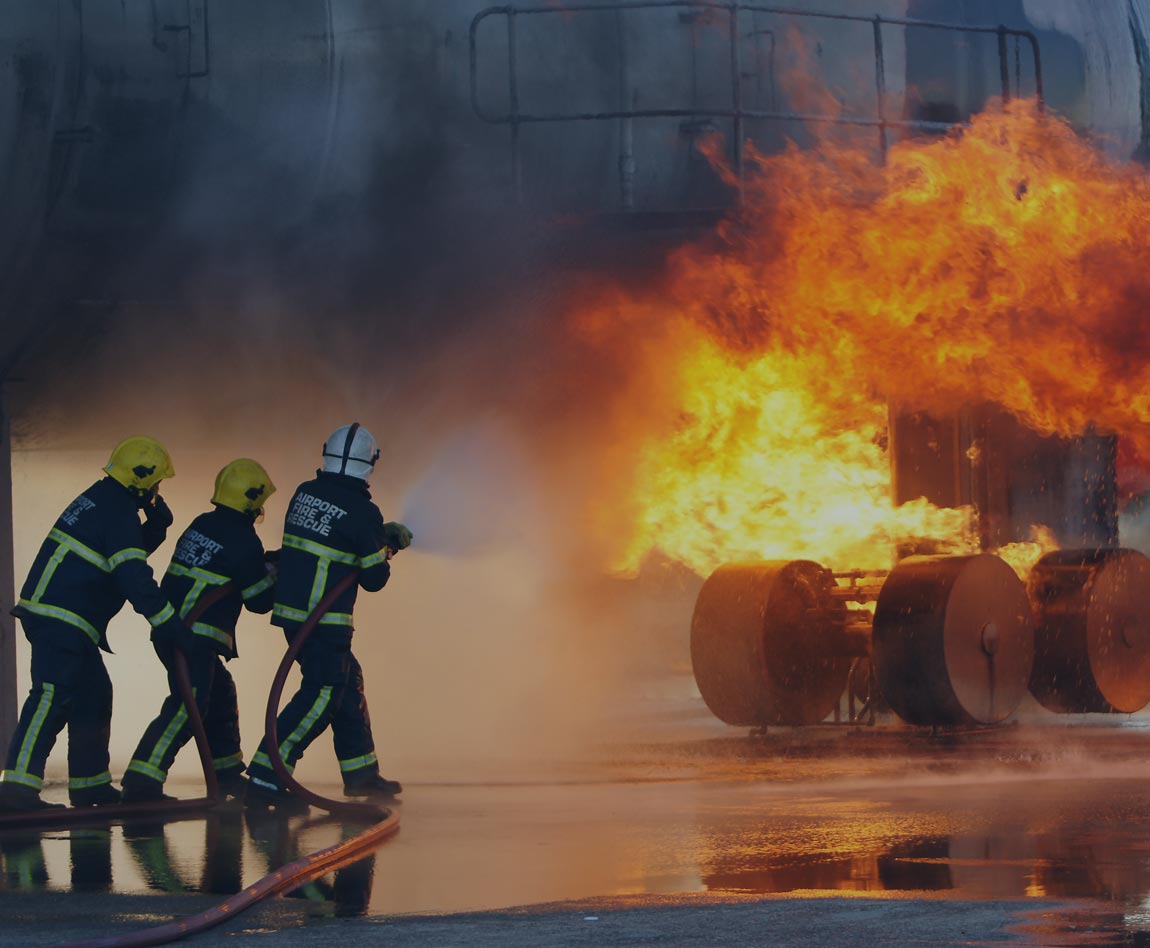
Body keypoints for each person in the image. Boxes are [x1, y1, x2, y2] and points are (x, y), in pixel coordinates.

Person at [0, 436, 188, 811]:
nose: (156, 491)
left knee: (93, 694)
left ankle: (90, 786)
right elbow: (132, 574)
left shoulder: (106, 500)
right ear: (140, 480)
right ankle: (16, 791)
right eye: (155, 484)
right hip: (61, 618)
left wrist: (154, 531)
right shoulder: (116, 511)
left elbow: (114, 554)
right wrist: (168, 623)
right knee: (52, 695)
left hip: (67, 618)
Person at [245, 423, 412, 810]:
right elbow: (374, 578)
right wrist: (386, 546)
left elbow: (333, 539)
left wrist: (373, 538)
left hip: (294, 615)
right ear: (370, 464)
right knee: (322, 695)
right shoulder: (363, 511)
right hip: (324, 621)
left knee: (346, 683)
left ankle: (361, 774)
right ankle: (265, 777)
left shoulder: (305, 493)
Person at [120, 459, 279, 804]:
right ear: (251, 502)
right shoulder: (242, 538)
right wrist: (275, 575)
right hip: (194, 637)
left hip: (172, 631)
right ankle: (142, 782)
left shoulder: (204, 523)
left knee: (218, 694)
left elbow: (225, 566)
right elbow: (258, 600)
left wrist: (263, 563)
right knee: (188, 705)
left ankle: (226, 773)